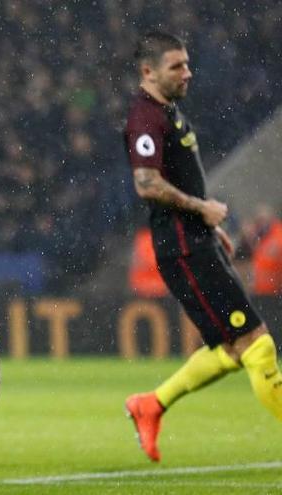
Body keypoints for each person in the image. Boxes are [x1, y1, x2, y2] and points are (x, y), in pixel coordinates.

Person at [123, 31, 282, 462]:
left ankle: (150, 405)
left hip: (197, 241)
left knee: (232, 351)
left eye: (187, 63)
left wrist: (209, 225)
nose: (187, 72)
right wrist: (201, 211)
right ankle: (150, 404)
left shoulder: (167, 112)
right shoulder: (144, 118)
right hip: (181, 247)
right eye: (177, 66)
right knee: (257, 344)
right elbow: (146, 182)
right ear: (148, 71)